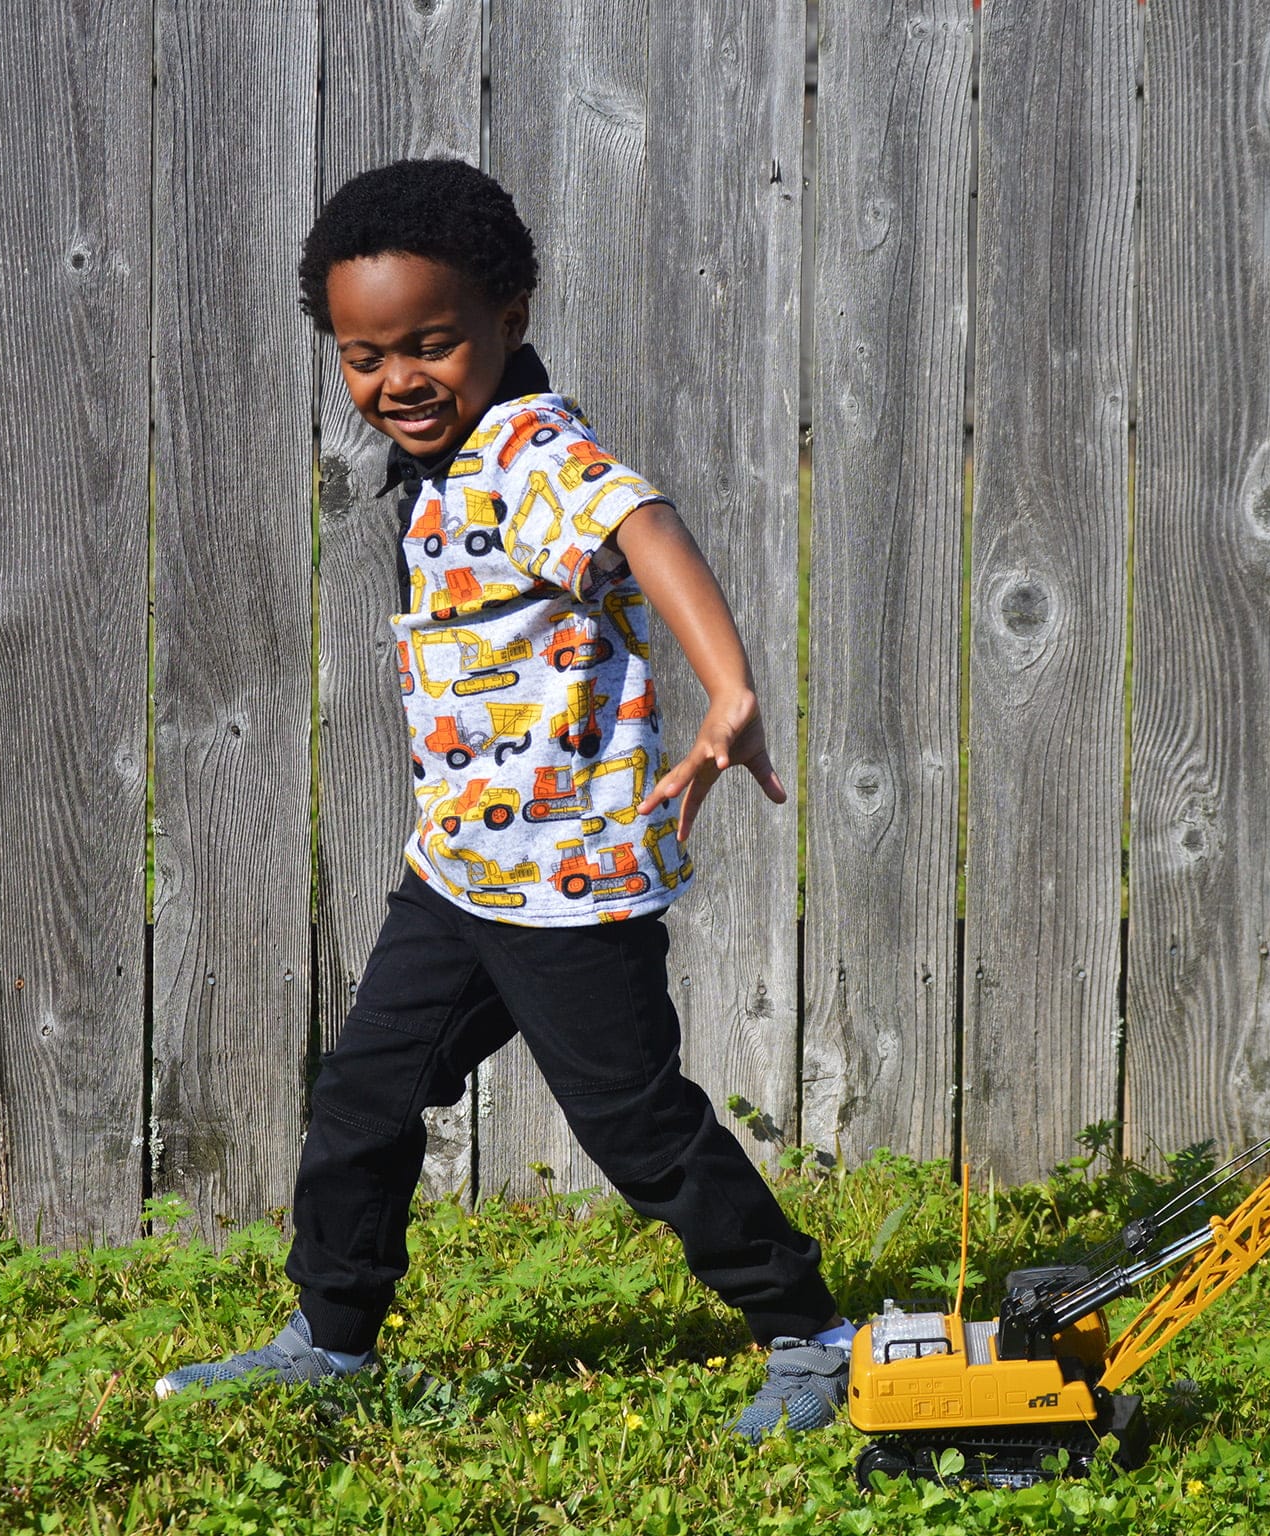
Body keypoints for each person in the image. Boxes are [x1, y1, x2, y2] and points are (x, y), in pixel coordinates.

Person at [153, 158, 851, 1442]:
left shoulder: (532, 452)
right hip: (459, 873)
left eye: (431, 343)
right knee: (361, 1098)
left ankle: (808, 1335)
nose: (398, 380)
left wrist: (729, 687)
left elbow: (639, 522)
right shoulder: (448, 463)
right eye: (364, 357)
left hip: (564, 884)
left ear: (507, 320)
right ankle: (333, 1338)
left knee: (637, 1126)